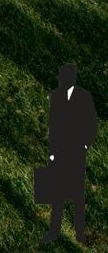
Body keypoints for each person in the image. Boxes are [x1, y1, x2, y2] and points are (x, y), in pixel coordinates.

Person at [45, 64, 98, 244]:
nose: (62, 80)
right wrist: (52, 153)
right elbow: (53, 126)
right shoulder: (56, 96)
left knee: (77, 195)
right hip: (60, 153)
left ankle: (80, 234)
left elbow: (92, 125)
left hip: (76, 153)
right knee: (57, 195)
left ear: (72, 78)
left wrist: (84, 146)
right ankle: (53, 232)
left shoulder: (84, 97)